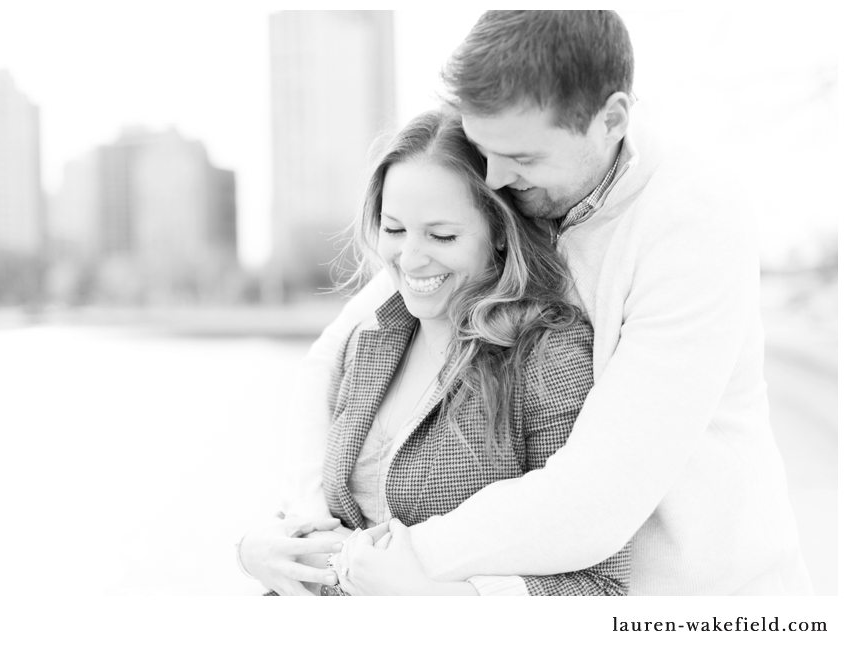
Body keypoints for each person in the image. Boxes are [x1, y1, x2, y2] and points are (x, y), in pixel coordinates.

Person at [245, 10, 813, 596]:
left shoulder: (692, 219)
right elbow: (332, 354)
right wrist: (299, 529)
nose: (492, 178)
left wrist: (388, 558)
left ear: (611, 119)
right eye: (483, 148)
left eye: (520, 158)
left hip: (705, 601)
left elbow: (597, 496)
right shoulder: (517, 183)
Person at [239, 108, 631, 595]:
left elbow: (602, 586)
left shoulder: (548, 355)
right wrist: (256, 550)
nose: (410, 258)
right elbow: (318, 519)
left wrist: (431, 600)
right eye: (395, 229)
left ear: (500, 236)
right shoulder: (366, 343)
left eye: (441, 235)